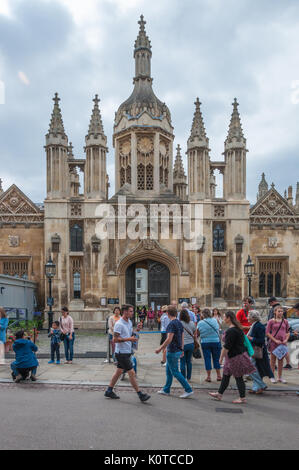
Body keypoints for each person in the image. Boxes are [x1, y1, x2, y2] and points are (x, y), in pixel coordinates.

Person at [104, 304, 150, 402]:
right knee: (131, 373)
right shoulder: (119, 324)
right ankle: (140, 394)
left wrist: (137, 329)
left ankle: (109, 390)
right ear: (124, 312)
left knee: (118, 372)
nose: (132, 313)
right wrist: (129, 339)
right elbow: (115, 339)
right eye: (130, 311)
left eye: (132, 311)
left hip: (127, 351)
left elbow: (130, 334)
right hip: (121, 353)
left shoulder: (129, 322)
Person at [209, 311, 256, 404]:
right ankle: (219, 394)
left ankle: (242, 398)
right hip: (232, 356)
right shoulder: (236, 328)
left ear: (229, 318)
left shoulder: (232, 330)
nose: (223, 319)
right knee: (226, 375)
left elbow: (227, 346)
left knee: (238, 377)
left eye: (224, 317)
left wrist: (220, 358)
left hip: (235, 357)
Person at [155, 306, 193, 398]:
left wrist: (160, 348)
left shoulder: (171, 324)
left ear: (167, 313)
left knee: (175, 372)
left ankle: (188, 389)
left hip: (172, 350)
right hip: (177, 350)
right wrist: (182, 348)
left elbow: (169, 339)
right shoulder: (179, 323)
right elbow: (182, 337)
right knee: (168, 371)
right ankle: (166, 389)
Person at [247, 310, 275, 393]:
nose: (247, 317)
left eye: (248, 316)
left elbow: (261, 340)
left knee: (251, 368)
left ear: (253, 317)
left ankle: (261, 385)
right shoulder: (254, 325)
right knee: (256, 369)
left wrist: (250, 338)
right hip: (254, 350)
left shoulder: (259, 326)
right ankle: (256, 388)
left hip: (258, 351)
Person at [266, 305, 290, 384]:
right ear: (275, 312)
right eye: (279, 311)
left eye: (281, 311)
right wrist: (275, 340)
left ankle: (280, 377)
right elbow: (267, 333)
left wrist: (286, 339)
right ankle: (272, 376)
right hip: (274, 343)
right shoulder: (271, 321)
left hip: (282, 344)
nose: (280, 313)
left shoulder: (285, 321)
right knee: (272, 361)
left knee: (281, 360)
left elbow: (288, 332)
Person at [197, 308, 222, 383]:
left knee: (207, 359)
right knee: (216, 358)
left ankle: (208, 376)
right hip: (215, 341)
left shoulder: (200, 322)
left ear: (203, 314)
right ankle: (218, 375)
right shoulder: (215, 320)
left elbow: (197, 333)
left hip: (205, 342)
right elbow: (218, 329)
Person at [179, 309, 196, 381]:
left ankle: (183, 377)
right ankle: (189, 377)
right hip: (191, 344)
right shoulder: (192, 323)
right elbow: (194, 332)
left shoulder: (179, 323)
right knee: (189, 361)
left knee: (182, 361)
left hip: (182, 344)